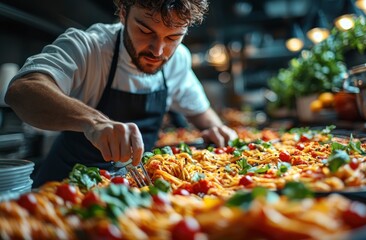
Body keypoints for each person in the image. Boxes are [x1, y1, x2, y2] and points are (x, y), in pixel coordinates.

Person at [5, 0, 237, 187]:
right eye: (145, 30)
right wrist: (93, 123)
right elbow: (23, 90)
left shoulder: (178, 60)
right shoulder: (89, 46)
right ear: (124, 13)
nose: (158, 51)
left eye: (172, 37)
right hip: (67, 186)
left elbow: (204, 117)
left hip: (135, 186)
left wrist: (218, 131)